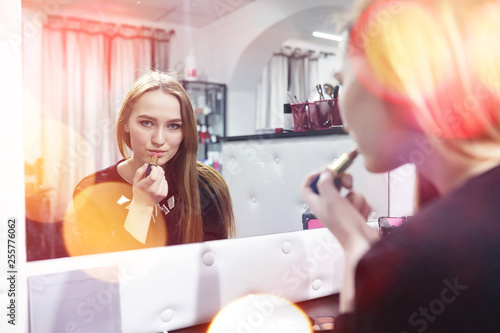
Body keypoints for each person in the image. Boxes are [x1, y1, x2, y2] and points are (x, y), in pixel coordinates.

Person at [301, 0, 500, 332]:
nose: (338, 105)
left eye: (341, 81)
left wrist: (358, 252)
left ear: (389, 75)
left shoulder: (420, 261)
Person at [68, 71, 235, 256]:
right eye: (147, 123)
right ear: (125, 123)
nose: (159, 139)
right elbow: (114, 277)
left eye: (174, 126)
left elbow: (215, 266)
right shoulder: (92, 191)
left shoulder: (207, 187)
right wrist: (141, 205)